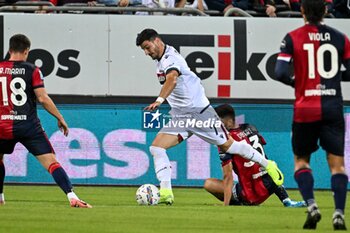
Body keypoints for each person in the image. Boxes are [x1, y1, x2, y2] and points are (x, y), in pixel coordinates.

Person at [136, 28, 284, 205]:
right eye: (143, 50)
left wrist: (160, 100)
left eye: (147, 47)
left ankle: (267, 164)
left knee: (229, 145)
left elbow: (172, 80)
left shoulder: (171, 58)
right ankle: (166, 192)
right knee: (157, 148)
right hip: (182, 116)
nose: (146, 52)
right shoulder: (161, 60)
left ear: (157, 41)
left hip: (199, 112)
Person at [274, 0, 350, 229]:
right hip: (333, 107)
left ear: (302, 11)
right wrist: (333, 79)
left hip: (305, 109)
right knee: (337, 165)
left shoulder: (292, 37)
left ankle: (312, 206)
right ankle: (338, 213)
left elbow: (279, 72)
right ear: (326, 11)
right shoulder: (340, 38)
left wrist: (298, 83)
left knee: (301, 161)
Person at [0, 34, 91, 208]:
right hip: (28, 126)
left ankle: (0, 197)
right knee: (51, 162)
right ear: (27, 51)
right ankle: (72, 196)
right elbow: (42, 98)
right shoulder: (32, 70)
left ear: (10, 50)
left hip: (2, 126)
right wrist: (60, 117)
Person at [204, 104, 306, 207]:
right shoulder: (250, 128)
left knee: (209, 183)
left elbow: (228, 175)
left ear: (229, 122)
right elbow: (263, 155)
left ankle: (237, 203)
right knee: (267, 166)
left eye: (218, 122)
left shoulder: (226, 140)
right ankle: (286, 200)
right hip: (269, 185)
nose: (216, 125)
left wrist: (225, 206)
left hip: (249, 193)